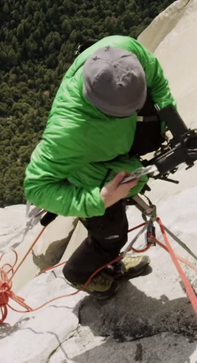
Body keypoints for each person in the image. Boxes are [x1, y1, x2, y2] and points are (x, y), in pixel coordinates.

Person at [24, 35, 176, 299]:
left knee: (117, 226)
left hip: (113, 160)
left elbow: (158, 81)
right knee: (111, 234)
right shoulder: (68, 133)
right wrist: (98, 199)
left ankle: (110, 263)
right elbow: (37, 187)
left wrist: (172, 121)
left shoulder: (124, 49)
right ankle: (80, 274)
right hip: (88, 177)